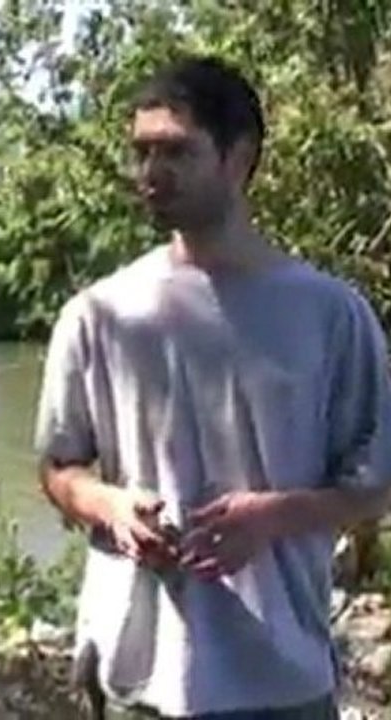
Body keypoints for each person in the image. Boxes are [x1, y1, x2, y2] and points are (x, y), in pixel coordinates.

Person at [34, 54, 391, 719]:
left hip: (281, 680)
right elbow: (59, 468)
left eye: (174, 151)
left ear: (238, 157)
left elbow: (375, 487)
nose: (150, 173)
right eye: (141, 152)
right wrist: (109, 504)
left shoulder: (331, 315)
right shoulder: (99, 312)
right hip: (136, 678)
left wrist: (275, 516)